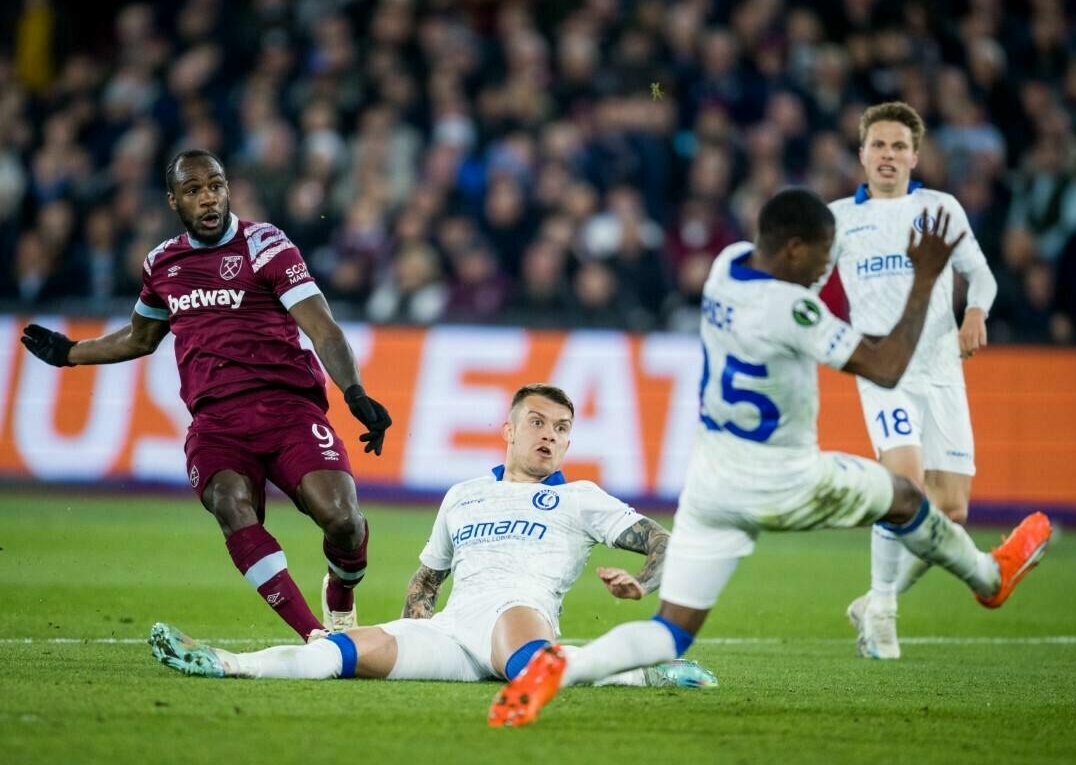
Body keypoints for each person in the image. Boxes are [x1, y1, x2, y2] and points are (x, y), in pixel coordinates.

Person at [489, 188, 1050, 728]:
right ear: (794, 250)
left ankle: (559, 668)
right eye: (823, 259)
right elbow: (886, 367)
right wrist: (925, 277)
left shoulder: (724, 267)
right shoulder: (793, 311)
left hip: (711, 483)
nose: (825, 271)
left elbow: (794, 285)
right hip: (786, 478)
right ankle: (987, 577)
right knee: (904, 497)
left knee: (671, 631)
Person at [21, 149, 392, 642]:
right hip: (217, 424)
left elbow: (322, 327)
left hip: (287, 410)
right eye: (193, 190)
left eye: (216, 186)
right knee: (228, 503)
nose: (208, 198)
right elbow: (139, 338)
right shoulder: (162, 263)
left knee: (344, 522)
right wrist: (71, 352)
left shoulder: (266, 245)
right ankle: (316, 637)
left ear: (227, 189)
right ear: (174, 200)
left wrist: (355, 393)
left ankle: (340, 594)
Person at [148, 383, 717, 691]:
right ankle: (227, 663)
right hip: (453, 631)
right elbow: (427, 580)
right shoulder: (463, 495)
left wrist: (642, 584)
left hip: (516, 611)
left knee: (529, 668)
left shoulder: (581, 498)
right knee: (339, 653)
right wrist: (415, 631)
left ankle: (644, 671)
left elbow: (664, 542)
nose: (549, 436)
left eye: (561, 428)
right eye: (538, 422)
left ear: (569, 442)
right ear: (509, 430)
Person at [825, 102, 1000, 659]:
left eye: (899, 146)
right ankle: (884, 613)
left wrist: (976, 312)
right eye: (878, 145)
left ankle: (874, 600)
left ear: (915, 156)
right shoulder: (838, 219)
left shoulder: (940, 209)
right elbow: (807, 285)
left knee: (950, 513)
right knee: (904, 487)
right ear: (861, 154)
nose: (888, 155)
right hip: (883, 372)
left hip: (942, 369)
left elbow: (982, 276)